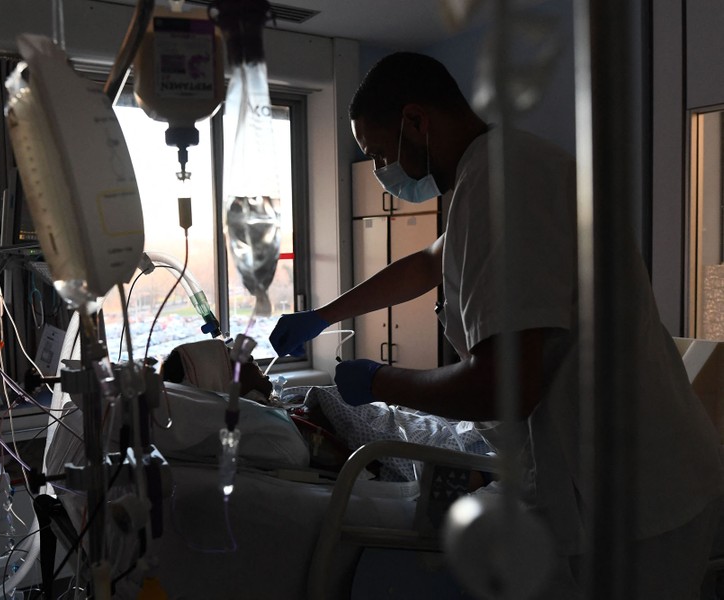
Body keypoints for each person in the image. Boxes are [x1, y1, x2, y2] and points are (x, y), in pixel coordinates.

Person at [268, 52, 724, 598]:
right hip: (623, 478)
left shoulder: (501, 185)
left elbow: (501, 388)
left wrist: (378, 383)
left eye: (380, 152)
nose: (382, 170)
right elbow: (424, 265)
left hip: (636, 503)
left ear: (416, 120)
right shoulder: (496, 172)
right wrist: (323, 316)